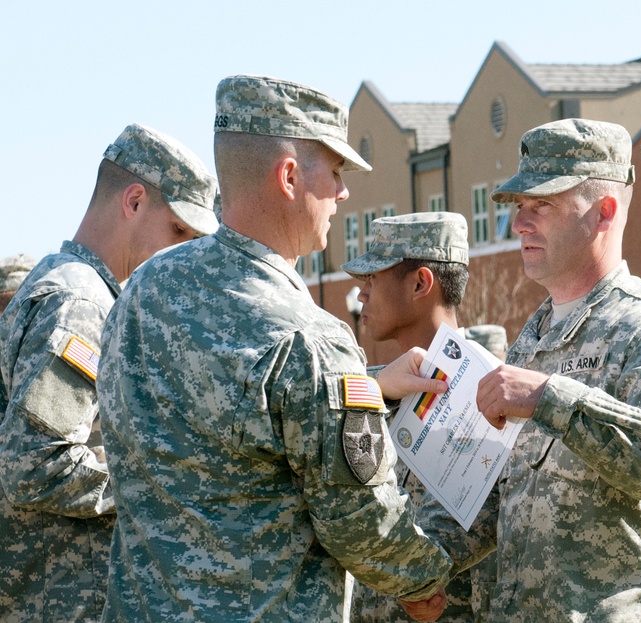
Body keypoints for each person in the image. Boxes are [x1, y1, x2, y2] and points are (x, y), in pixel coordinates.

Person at [97, 75, 454, 623]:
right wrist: (425, 580)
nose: (343, 193)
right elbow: (362, 521)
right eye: (334, 172)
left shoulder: (143, 290)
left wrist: (368, 383)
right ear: (289, 177)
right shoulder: (309, 338)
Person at [420, 118, 641, 622]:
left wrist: (551, 399)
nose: (519, 224)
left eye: (541, 206)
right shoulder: (534, 337)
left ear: (604, 212)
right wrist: (419, 568)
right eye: (519, 208)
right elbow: (494, 492)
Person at [0, 123, 219, 623]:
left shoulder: (72, 286)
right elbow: (33, 464)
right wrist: (160, 482)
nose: (182, 251)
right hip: (58, 601)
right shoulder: (79, 303)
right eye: (179, 231)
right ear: (135, 201)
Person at [342, 211, 497, 623]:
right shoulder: (383, 391)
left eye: (373, 279)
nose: (361, 295)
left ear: (419, 283)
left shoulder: (486, 399)